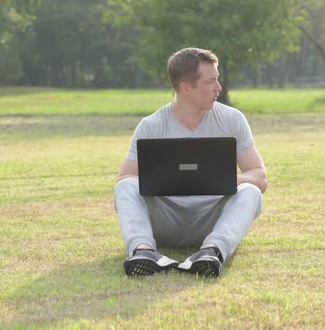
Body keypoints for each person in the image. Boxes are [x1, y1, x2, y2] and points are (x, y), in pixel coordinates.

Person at [114, 47, 267, 277]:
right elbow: (125, 178)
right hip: (165, 221)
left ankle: (211, 252)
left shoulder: (232, 119)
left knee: (251, 192)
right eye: (211, 82)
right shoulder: (151, 125)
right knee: (124, 187)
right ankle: (143, 252)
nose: (219, 88)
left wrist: (217, 179)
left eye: (218, 80)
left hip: (213, 219)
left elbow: (259, 177)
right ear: (186, 88)